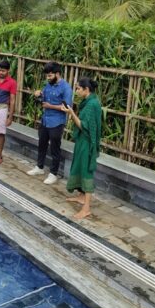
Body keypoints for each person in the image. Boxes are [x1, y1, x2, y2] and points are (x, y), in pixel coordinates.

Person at [61, 77, 102, 219]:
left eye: (78, 88)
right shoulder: (88, 101)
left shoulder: (92, 105)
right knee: (80, 167)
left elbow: (84, 126)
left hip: (87, 143)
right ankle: (81, 196)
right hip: (82, 142)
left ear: (86, 89)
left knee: (86, 171)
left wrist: (71, 113)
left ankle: (86, 208)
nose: (76, 91)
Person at [27, 62, 73, 184]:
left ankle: (53, 173)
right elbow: (43, 99)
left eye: (50, 75)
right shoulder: (48, 85)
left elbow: (67, 107)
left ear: (57, 74)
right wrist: (39, 94)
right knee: (41, 144)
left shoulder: (66, 88)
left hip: (57, 122)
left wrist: (50, 106)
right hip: (45, 120)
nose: (48, 78)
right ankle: (39, 167)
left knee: (55, 148)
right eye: (47, 75)